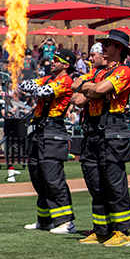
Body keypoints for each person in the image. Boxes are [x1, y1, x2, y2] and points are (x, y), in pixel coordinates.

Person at [72, 30, 130, 247]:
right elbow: (75, 92)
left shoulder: (124, 71)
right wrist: (95, 91)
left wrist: (92, 90)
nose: (103, 48)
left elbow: (94, 89)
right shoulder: (100, 72)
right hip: (93, 131)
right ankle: (102, 231)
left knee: (114, 183)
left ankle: (123, 232)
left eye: (108, 44)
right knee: (95, 183)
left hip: (112, 130)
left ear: (119, 49)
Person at [21, 49, 77, 234]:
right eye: (52, 59)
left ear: (66, 65)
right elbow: (24, 85)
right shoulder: (47, 78)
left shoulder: (66, 80)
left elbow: (46, 91)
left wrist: (36, 89)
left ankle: (67, 222)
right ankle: (44, 221)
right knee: (37, 176)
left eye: (56, 60)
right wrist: (37, 89)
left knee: (53, 178)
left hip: (53, 130)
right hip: (38, 130)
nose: (51, 62)